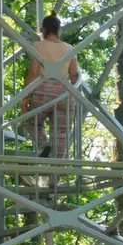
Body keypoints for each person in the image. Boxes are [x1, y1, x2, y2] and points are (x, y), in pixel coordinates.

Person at [25, 13, 80, 158]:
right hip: (64, 93)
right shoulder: (69, 48)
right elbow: (74, 74)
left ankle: (43, 143)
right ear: (58, 30)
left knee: (31, 120)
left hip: (43, 90)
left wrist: (25, 98)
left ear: (43, 30)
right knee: (61, 134)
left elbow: (35, 72)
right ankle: (55, 175)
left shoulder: (37, 46)